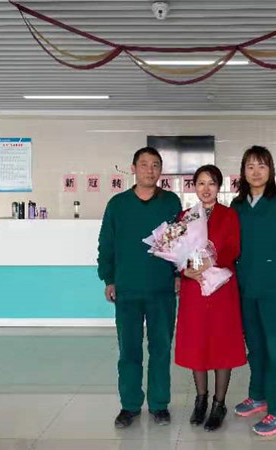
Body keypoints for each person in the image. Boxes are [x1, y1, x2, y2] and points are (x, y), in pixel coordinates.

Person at [97, 147, 182, 428]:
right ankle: (130, 405)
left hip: (162, 289)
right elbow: (106, 243)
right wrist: (108, 278)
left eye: (155, 165)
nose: (150, 170)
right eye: (144, 164)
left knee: (161, 349)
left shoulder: (170, 202)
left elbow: (181, 242)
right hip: (127, 288)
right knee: (129, 350)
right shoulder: (118, 204)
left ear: (161, 170)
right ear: (133, 168)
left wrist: (179, 273)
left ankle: (159, 404)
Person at [230, 145, 276, 437]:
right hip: (245, 288)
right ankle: (258, 396)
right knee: (256, 346)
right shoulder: (237, 205)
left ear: (271, 170)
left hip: (274, 288)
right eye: (250, 166)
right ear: (243, 171)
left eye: (262, 166)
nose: (256, 172)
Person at [175, 165, 247, 432]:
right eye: (201, 183)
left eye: (212, 183)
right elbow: (176, 252)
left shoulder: (229, 215)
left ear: (219, 187)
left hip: (221, 288)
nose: (206, 189)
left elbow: (234, 248)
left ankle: (219, 404)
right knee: (198, 342)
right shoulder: (186, 216)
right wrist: (184, 270)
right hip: (194, 288)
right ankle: (201, 400)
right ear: (194, 186)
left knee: (221, 343)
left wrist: (211, 260)